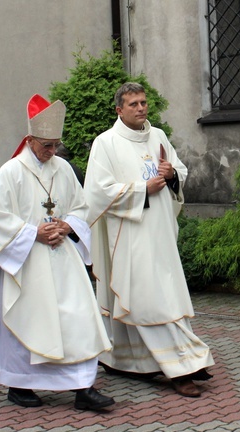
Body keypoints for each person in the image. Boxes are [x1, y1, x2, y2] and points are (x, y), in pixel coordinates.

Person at [0, 94, 114, 411]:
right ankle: (20, 385)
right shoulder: (11, 172)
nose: (52, 151)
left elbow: (81, 206)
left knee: (78, 318)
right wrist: (34, 232)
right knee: (29, 320)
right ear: (30, 139)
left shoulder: (62, 168)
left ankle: (82, 387)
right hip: (26, 263)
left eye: (56, 145)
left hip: (62, 258)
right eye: (46, 145)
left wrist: (66, 225)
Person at [85, 82, 214, 398]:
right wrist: (143, 189)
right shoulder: (106, 143)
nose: (141, 108)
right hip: (130, 235)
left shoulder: (157, 136)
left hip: (160, 234)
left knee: (161, 295)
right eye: (133, 104)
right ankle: (181, 367)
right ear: (119, 110)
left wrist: (170, 176)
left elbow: (178, 171)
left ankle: (123, 359)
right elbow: (97, 192)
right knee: (148, 301)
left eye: (144, 103)